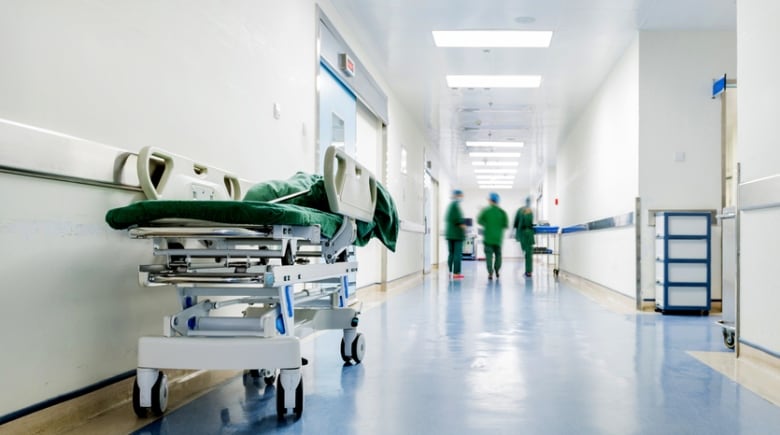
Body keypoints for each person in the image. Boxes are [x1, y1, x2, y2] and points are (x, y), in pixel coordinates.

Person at [477, 192, 509, 280]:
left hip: (488, 238)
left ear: (490, 200)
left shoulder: (486, 211)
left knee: (489, 256)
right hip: (498, 239)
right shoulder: (502, 212)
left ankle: (490, 273)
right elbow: (505, 225)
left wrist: (487, 224)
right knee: (498, 255)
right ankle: (497, 271)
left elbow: (479, 221)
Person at [445, 189, 467, 280]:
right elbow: (459, 221)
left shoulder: (450, 206)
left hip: (450, 234)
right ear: (457, 195)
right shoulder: (456, 206)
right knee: (457, 254)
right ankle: (456, 273)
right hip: (457, 235)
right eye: (460, 195)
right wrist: (465, 228)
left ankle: (450, 272)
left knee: (451, 253)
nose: (461, 197)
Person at [513, 196, 535, 277]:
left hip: (522, 234)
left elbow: (515, 222)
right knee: (529, 253)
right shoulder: (531, 211)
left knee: (523, 252)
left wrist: (514, 231)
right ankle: (529, 272)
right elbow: (531, 223)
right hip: (529, 234)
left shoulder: (520, 210)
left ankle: (520, 269)